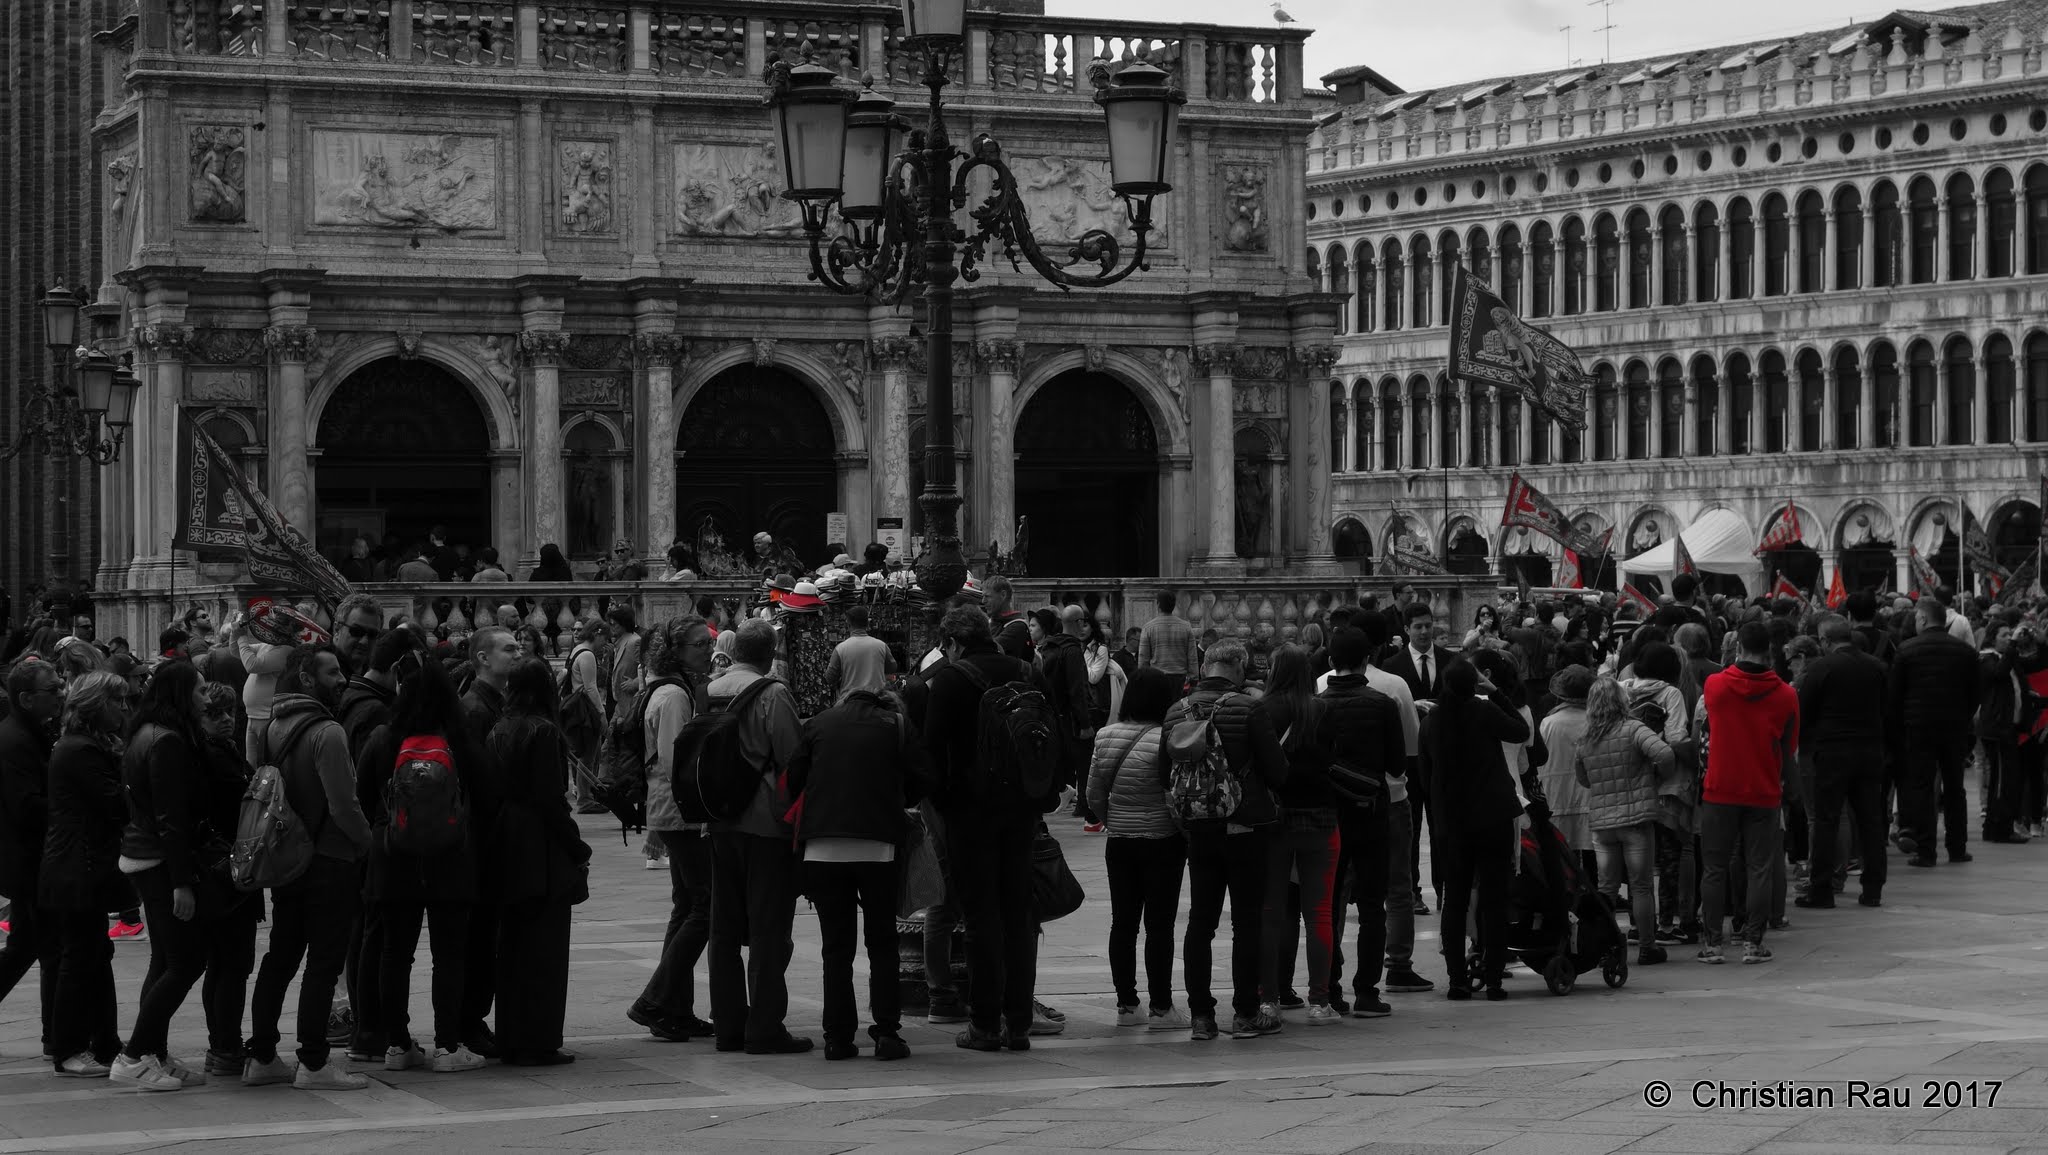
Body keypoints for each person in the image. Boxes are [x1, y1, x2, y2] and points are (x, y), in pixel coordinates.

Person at [243, 644, 375, 1090]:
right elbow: (344, 805)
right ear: (306, 678)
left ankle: (262, 1056)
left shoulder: (270, 726)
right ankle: (314, 1062)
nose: (341, 679)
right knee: (323, 962)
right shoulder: (328, 732)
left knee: (280, 957)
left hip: (288, 860)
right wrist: (368, 844)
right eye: (333, 672)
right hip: (331, 860)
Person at [352, 652, 491, 1075]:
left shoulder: (383, 737)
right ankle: (448, 1046)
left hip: (394, 858)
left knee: (395, 953)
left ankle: (396, 1043)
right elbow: (486, 799)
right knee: (449, 955)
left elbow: (363, 798)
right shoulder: (460, 739)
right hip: (450, 858)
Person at [786, 682, 931, 1061]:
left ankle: (837, 1037)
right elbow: (921, 778)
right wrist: (896, 800)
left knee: (836, 947)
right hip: (877, 845)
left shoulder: (818, 723)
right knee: (882, 943)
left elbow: (793, 779)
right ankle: (886, 1032)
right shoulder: (896, 725)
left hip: (822, 845)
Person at [922, 607, 1045, 1051]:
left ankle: (985, 1023)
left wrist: (943, 802)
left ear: (953, 643)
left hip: (970, 813)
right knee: (1018, 915)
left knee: (980, 918)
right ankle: (1020, 1022)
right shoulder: (1027, 670)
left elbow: (932, 750)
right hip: (1022, 810)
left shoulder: (952, 680)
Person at [1172, 638, 1288, 1041]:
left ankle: (1201, 1017)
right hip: (1245, 827)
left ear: (1206, 668)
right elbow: (1277, 771)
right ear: (1238, 667)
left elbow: (1163, 775)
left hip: (1199, 830)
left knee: (1200, 923)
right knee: (1246, 922)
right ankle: (1245, 1013)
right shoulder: (1250, 708)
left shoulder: (1176, 711)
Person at [705, 619, 809, 1054]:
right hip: (765, 822)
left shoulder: (705, 690)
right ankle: (764, 1026)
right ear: (772, 650)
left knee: (723, 929)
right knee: (768, 928)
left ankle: (728, 1023)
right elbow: (792, 758)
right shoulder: (772, 693)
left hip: (718, 819)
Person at [110, 662, 215, 1090]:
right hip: (159, 862)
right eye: (201, 691)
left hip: (146, 856)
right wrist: (181, 881)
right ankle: (133, 1054)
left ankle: (152, 1051)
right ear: (180, 694)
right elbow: (171, 818)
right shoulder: (166, 741)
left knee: (166, 960)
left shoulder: (146, 733)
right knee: (187, 962)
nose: (206, 699)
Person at [488, 658, 590, 1066]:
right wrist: (576, 847)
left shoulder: (500, 727)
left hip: (507, 839)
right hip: (539, 844)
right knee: (545, 947)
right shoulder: (543, 731)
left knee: (512, 945)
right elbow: (551, 799)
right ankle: (540, 1037)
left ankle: (512, 1033)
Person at [627, 615, 716, 1041]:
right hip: (681, 811)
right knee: (705, 905)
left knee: (686, 906)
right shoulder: (673, 696)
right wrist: (699, 815)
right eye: (699, 643)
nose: (708, 649)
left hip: (670, 808)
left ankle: (673, 1008)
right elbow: (677, 761)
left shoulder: (665, 689)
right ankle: (655, 1000)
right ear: (676, 651)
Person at [41, 670, 131, 1079]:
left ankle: (104, 1041)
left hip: (85, 864)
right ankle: (68, 1047)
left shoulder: (88, 746)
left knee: (95, 955)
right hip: (77, 867)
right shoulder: (79, 750)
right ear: (97, 704)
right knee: (78, 958)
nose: (124, 709)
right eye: (118, 701)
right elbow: (114, 803)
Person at [1422, 659, 1529, 1000]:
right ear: (1474, 685)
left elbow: (1425, 774)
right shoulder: (1482, 712)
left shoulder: (1432, 720)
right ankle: (1495, 978)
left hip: (1452, 823)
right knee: (1494, 899)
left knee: (1455, 899)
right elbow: (1520, 730)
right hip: (1492, 816)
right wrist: (1496, 692)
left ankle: (1456, 980)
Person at [1086, 668, 1187, 1031]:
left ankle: (1127, 1004)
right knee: (1159, 926)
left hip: (1120, 843)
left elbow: (1093, 795)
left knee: (1123, 924)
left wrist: (1114, 819)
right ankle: (1162, 1006)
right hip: (1162, 842)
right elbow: (1173, 796)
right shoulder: (1168, 738)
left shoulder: (1105, 735)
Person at [1315, 627, 1408, 1018]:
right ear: (1367, 661)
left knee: (1329, 906)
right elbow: (1397, 764)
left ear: (1331, 662)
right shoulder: (1381, 703)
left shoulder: (1316, 704)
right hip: (1371, 811)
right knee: (1372, 905)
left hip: (1328, 814)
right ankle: (1367, 991)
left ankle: (1331, 987)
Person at [1698, 620, 1800, 965]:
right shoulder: (1786, 694)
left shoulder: (1715, 686)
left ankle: (1713, 943)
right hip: (1763, 789)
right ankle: (1753, 942)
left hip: (1720, 788)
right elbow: (1789, 748)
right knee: (1760, 868)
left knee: (1714, 868)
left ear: (1738, 647)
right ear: (1770, 652)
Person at [1256, 646, 1341, 1025]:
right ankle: (1321, 1001)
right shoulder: (1323, 710)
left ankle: (1268, 999)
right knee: (1319, 912)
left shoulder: (1263, 709)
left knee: (1272, 911)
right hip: (1321, 817)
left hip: (1274, 821)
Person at [1573, 677, 1677, 966]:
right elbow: (1665, 753)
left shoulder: (1585, 738)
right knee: (1641, 886)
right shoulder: (1633, 729)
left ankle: (1607, 949)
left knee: (1606, 888)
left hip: (1603, 823)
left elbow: (1583, 778)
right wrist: (1657, 777)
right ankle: (1647, 946)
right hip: (1635, 820)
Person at [1796, 617, 1893, 908]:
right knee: (1870, 820)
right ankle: (1873, 887)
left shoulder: (1821, 668)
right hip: (1869, 750)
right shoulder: (1876, 667)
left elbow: (1805, 713)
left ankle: (1822, 888)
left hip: (1832, 752)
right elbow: (1887, 709)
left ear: (1825, 641)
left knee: (1827, 819)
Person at [192, 681, 262, 1077]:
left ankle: (223, 1043)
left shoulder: (225, 749)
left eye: (228, 712)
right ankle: (225, 1046)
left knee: (228, 963)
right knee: (230, 963)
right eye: (213, 713)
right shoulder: (210, 755)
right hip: (225, 867)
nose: (224, 720)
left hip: (231, 865)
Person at [455, 624, 517, 1056]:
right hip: (480, 838)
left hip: (490, 836)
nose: (519, 651)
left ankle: (473, 1017)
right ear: (482, 658)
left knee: (487, 936)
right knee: (478, 937)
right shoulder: (476, 708)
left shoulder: (494, 702)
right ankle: (468, 1021)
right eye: (508, 648)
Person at [1888, 597, 1984, 869]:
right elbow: (1976, 693)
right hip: (1954, 728)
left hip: (1918, 729)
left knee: (1921, 787)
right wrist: (1962, 716)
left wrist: (1902, 725)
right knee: (1955, 788)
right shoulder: (1965, 652)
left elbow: (1895, 696)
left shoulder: (1906, 650)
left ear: (1922, 619)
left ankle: (1926, 850)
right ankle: (1957, 847)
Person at [0, 659, 64, 1059]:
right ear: (26, 698)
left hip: (28, 859)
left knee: (27, 946)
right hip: (28, 861)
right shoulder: (16, 741)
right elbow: (27, 807)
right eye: (52, 690)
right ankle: (55, 1035)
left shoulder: (26, 733)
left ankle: (54, 1033)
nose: (60, 694)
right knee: (50, 947)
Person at [824, 606, 894, 706]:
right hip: (877, 701)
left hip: (849, 703)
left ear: (848, 624)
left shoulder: (840, 649)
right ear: (867, 624)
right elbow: (892, 667)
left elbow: (829, 678)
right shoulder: (881, 645)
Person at [1137, 591, 1198, 681]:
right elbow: (1192, 657)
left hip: (1156, 677)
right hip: (1179, 677)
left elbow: (1143, 658)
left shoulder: (1148, 627)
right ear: (1173, 605)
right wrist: (1194, 677)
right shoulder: (1186, 627)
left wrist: (1142, 678)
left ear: (1158, 605)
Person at [330, 594, 385, 677]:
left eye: (372, 634)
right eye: (356, 631)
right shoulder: (317, 670)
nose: (364, 641)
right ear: (337, 629)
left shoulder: (379, 675)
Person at [606, 605, 644, 715]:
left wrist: (635, 683)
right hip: (621, 705)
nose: (612, 627)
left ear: (624, 623)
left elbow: (648, 668)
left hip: (632, 704)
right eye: (610, 624)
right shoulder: (620, 641)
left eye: (614, 624)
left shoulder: (635, 641)